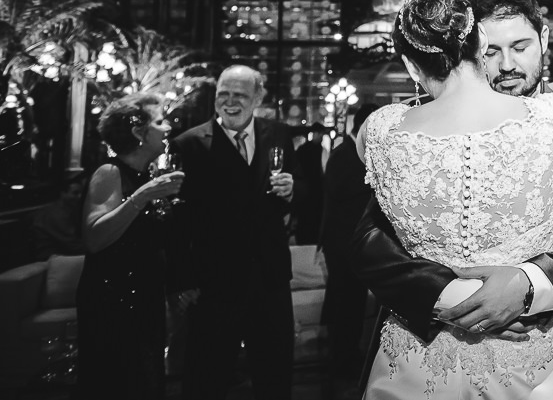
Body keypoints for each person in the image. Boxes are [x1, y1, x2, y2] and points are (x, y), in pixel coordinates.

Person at [354, 0, 553, 399]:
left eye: (519, 47)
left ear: (544, 40)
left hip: (546, 334)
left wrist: (528, 286)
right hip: (428, 333)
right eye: (493, 51)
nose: (506, 66)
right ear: (475, 44)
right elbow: (371, 241)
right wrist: (451, 295)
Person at [175, 65, 297, 400]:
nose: (230, 102)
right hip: (215, 283)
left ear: (258, 97)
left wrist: (291, 191)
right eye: (223, 95)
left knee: (274, 374)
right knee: (206, 377)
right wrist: (184, 280)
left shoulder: (279, 134)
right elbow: (178, 220)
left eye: (239, 95)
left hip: (269, 277)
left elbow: (299, 201)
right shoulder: (188, 145)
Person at [76, 93, 185, 400]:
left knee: (146, 383)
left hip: (145, 297)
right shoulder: (109, 173)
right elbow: (94, 238)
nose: (168, 129)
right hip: (112, 300)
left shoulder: (145, 177)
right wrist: (141, 198)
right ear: (139, 132)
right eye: (160, 121)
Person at [319, 102, 379, 379]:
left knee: (349, 303)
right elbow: (338, 194)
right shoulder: (347, 154)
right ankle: (342, 360)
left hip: (349, 243)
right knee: (346, 303)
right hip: (342, 243)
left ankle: (344, 355)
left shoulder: (353, 153)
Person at [31, 175, 85, 259]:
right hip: (50, 257)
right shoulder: (56, 213)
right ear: (63, 193)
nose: (80, 197)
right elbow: (72, 244)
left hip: (63, 253)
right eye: (75, 193)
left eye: (81, 193)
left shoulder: (69, 210)